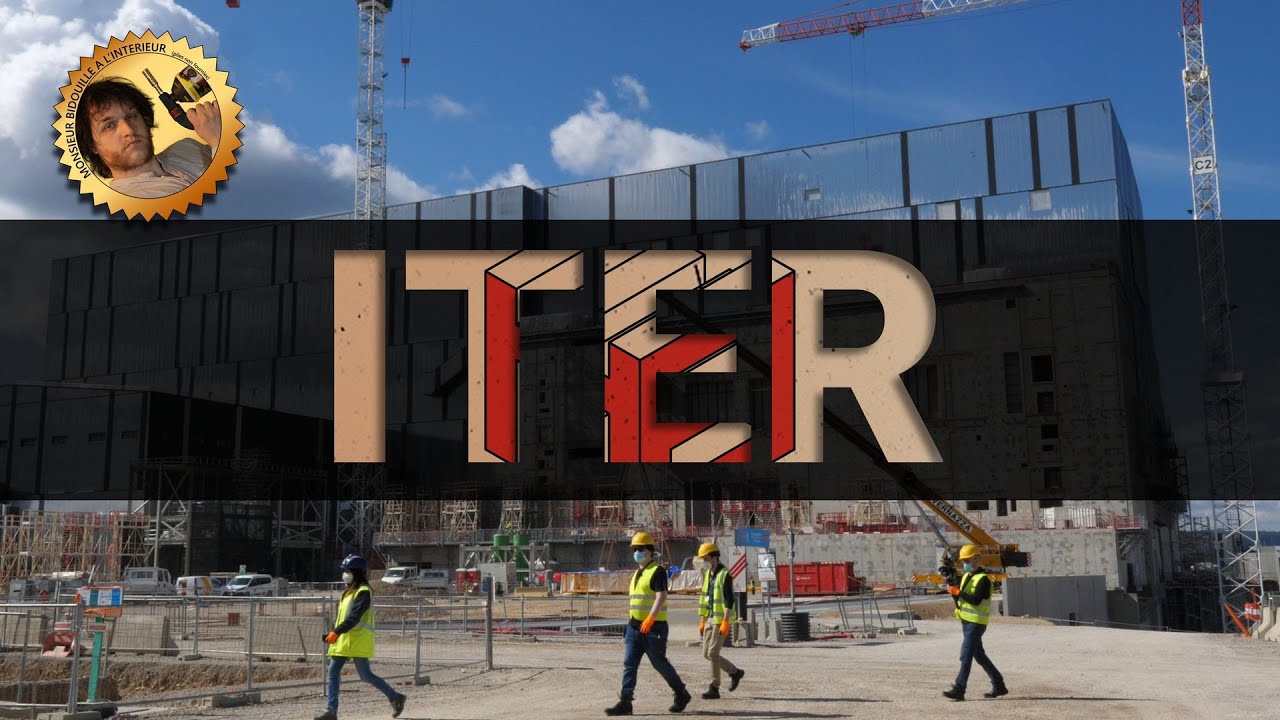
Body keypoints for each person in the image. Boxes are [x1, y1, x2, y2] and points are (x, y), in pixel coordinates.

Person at [75, 76, 220, 198]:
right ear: (91, 145)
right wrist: (217, 140)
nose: (128, 129)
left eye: (131, 116)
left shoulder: (188, 147)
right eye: (109, 126)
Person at [605, 531, 693, 716]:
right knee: (629, 663)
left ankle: (681, 693)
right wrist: (632, 624)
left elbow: (661, 596)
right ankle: (626, 701)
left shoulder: (657, 571)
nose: (637, 552)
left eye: (640, 549)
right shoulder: (638, 573)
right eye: (635, 549)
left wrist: (650, 618)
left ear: (650, 551)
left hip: (654, 627)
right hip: (634, 626)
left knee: (659, 663)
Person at [315, 554, 407, 720]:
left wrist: (336, 632)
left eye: (347, 571)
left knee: (366, 676)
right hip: (343, 641)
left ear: (356, 572)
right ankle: (331, 711)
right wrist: (335, 633)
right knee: (333, 672)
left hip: (357, 641)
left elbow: (354, 617)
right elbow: (343, 617)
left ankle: (395, 697)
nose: (345, 574)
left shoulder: (364, 592)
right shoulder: (348, 593)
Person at [942, 544, 1008, 702]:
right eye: (963, 561)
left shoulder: (984, 579)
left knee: (966, 655)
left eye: (967, 560)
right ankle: (999, 685)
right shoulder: (966, 576)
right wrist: (953, 590)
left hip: (976, 623)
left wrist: (958, 592)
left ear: (977, 559)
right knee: (979, 655)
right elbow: (961, 600)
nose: (965, 563)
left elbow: (976, 600)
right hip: (966, 621)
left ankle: (959, 689)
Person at [695, 543, 745, 700]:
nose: (703, 561)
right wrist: (702, 619)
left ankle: (714, 687)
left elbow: (730, 600)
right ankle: (735, 672)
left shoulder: (725, 574)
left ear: (713, 557)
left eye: (705, 558)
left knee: (713, 653)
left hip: (720, 619)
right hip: (710, 619)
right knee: (706, 654)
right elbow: (705, 598)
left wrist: (725, 621)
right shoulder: (708, 575)